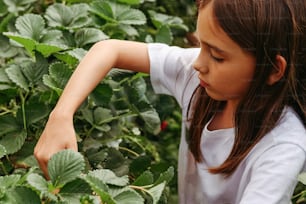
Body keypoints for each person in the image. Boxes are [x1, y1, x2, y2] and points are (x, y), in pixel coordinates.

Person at [34, 0, 306, 203]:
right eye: (201, 46)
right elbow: (110, 49)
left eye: (217, 56)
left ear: (273, 69)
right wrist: (61, 115)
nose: (198, 62)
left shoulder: (283, 148)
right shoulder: (199, 80)